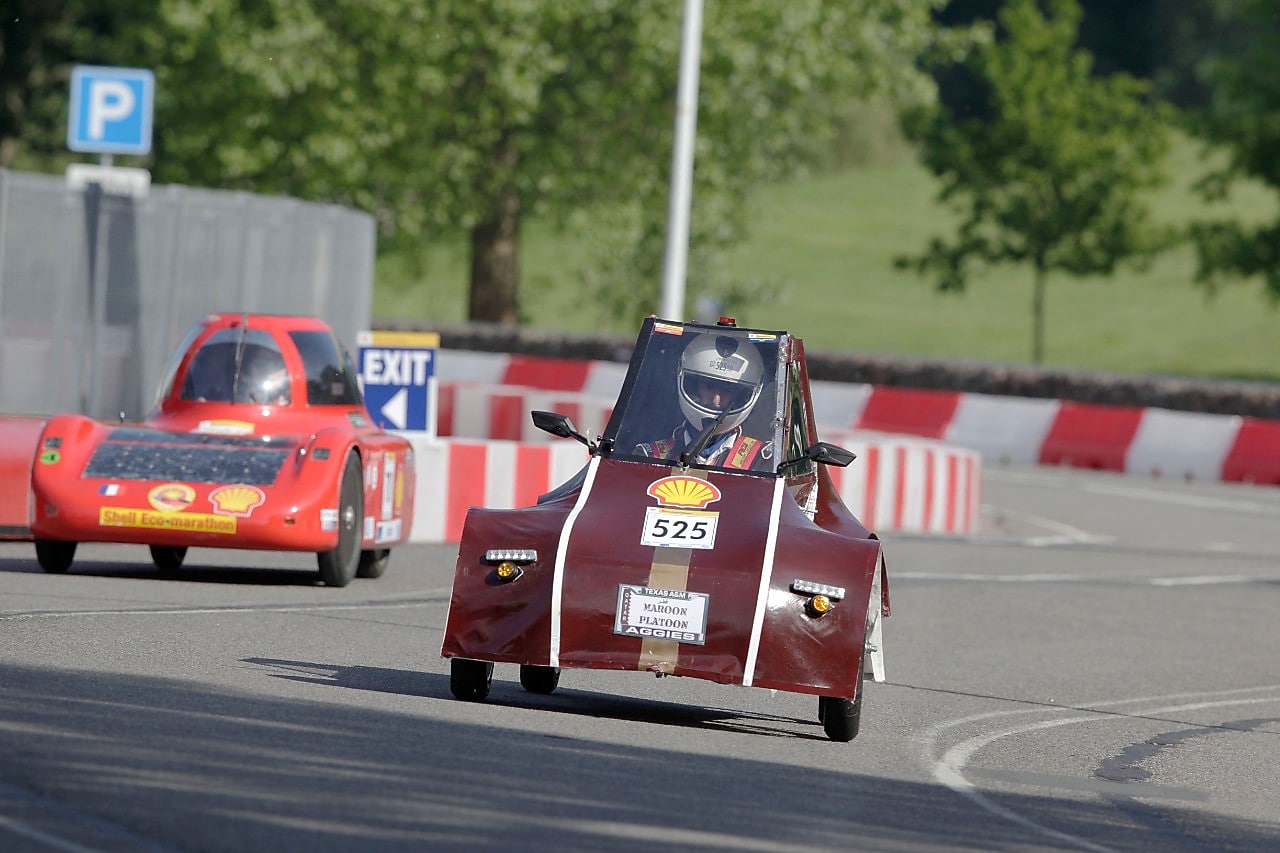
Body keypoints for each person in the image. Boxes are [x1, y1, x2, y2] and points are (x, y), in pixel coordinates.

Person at [635, 330, 773, 470]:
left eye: (727, 390)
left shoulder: (760, 460)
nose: (716, 399)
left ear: (740, 396)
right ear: (693, 388)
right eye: (709, 386)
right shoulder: (650, 456)